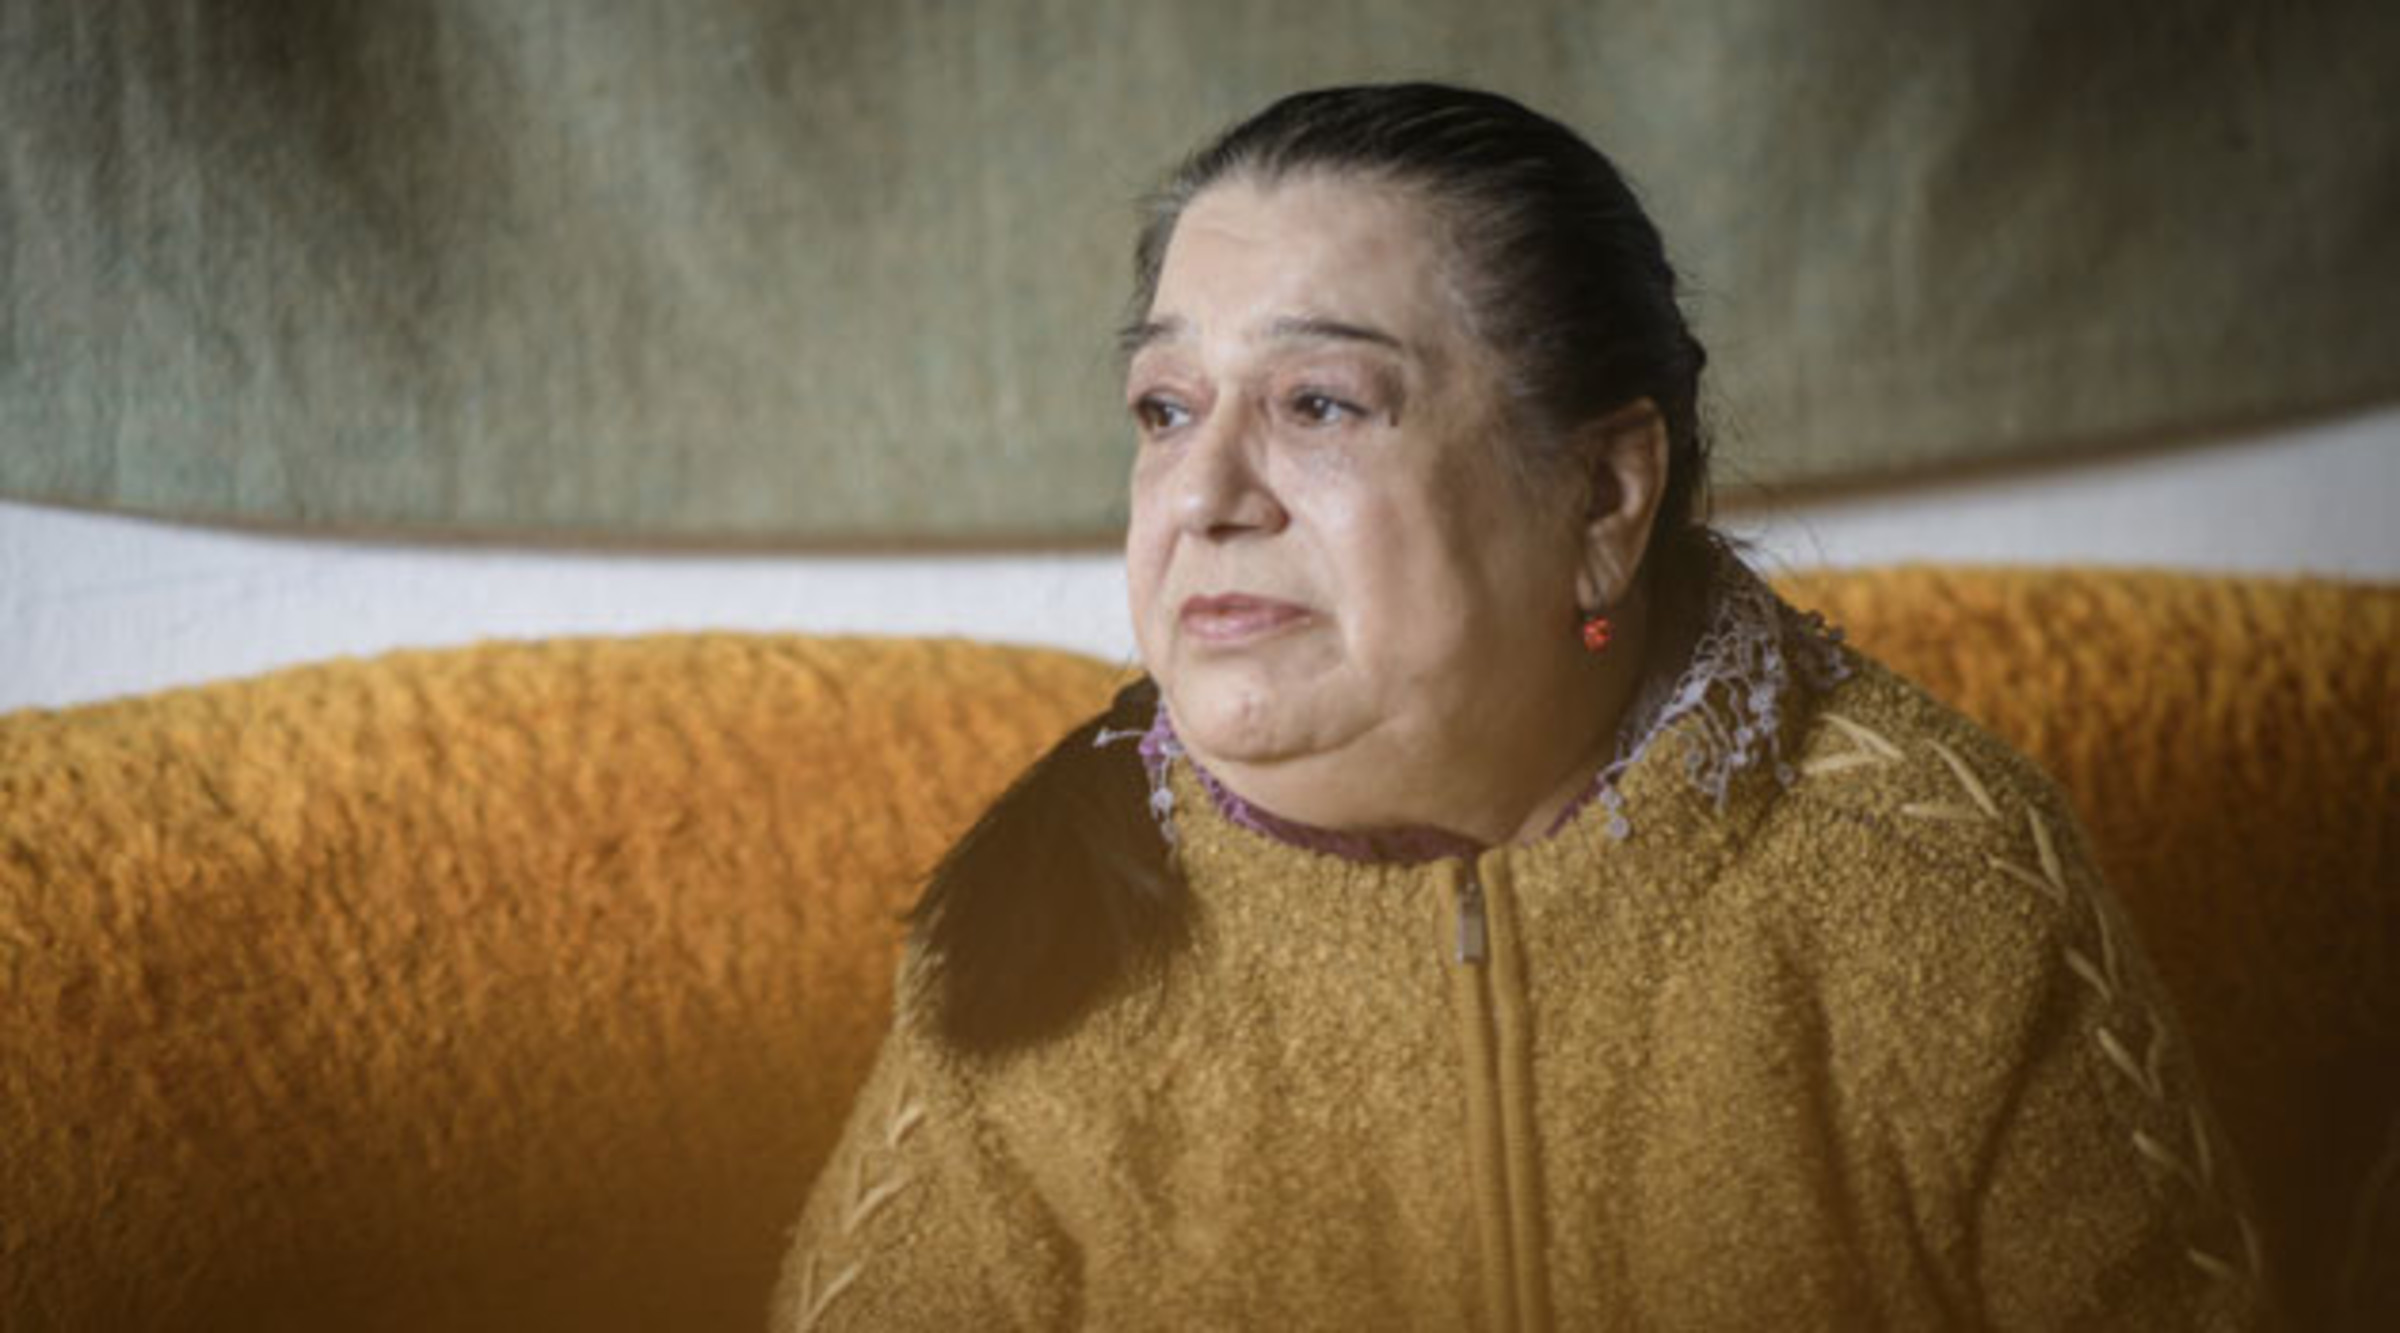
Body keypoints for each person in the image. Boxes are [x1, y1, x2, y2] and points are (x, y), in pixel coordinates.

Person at [772, 83, 2266, 1330]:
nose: (1203, 493)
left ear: (1603, 495)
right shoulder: (1045, 924)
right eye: (1167, 408)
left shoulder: (1942, 886)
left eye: (1318, 404)